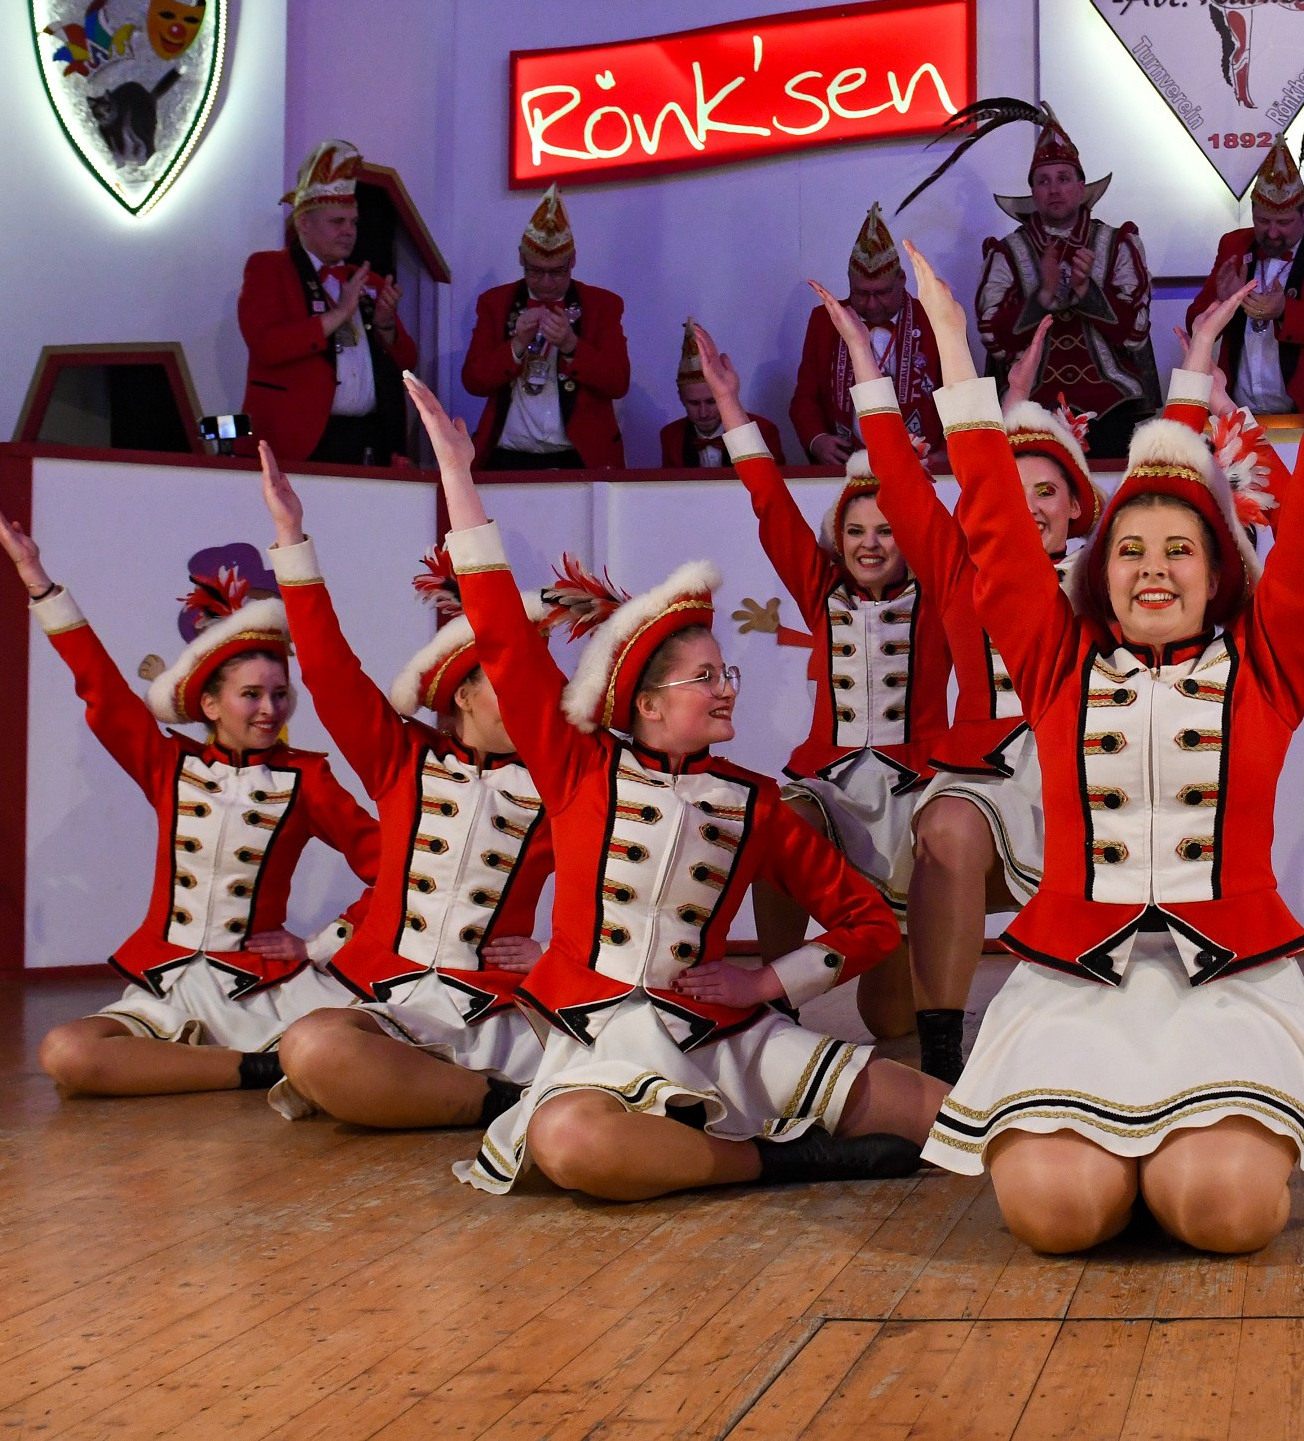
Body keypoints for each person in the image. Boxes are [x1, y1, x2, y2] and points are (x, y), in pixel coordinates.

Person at [912, 225, 1304, 1255]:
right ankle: (1123, 1157)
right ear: (1099, 571)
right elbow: (994, 521)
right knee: (1056, 1218)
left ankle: (1192, 1154)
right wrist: (954, 349)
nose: (1152, 568)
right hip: (1073, 981)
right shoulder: (1056, 662)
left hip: (1228, 981)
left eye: (1180, 549)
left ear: (1219, 573)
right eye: (1130, 548)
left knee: (1222, 1214)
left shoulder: (1265, 666)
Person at [400, 374, 948, 1200]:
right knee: (571, 1143)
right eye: (706, 678)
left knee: (948, 1118)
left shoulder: (757, 802)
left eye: (725, 673)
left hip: (730, 1036)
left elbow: (868, 924)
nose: (728, 689)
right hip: (601, 1039)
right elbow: (505, 640)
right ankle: (790, 1161)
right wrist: (458, 476)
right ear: (648, 704)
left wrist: (765, 982)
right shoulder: (580, 769)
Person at [0, 490, 378, 1096]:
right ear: (210, 705)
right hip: (167, 982)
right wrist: (38, 580)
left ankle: (255, 1059)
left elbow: (398, 866)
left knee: (356, 1046)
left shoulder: (306, 779)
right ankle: (260, 1070)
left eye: (280, 694)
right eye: (251, 695)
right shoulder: (170, 765)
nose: (270, 709)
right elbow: (102, 690)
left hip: (264, 986)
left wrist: (322, 943)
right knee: (67, 1053)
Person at [802, 295, 1104, 1083]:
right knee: (944, 824)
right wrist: (867, 368)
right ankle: (942, 1053)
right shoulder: (958, 570)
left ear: (1078, 504)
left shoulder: (1113, 576)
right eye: (1014, 490)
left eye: (1047, 492)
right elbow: (901, 481)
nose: (1030, 506)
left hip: (1084, 770)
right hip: (983, 772)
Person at [256, 445, 556, 1128]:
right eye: (508, 681)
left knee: (320, 1056)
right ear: (460, 696)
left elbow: (621, 885)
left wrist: (551, 955)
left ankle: (489, 1093)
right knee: (311, 1044)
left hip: (495, 1008)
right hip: (388, 997)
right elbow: (329, 671)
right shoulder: (402, 758)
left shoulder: (564, 779)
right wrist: (291, 538)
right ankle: (503, 1103)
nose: (532, 693)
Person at [692, 324, 951, 1042]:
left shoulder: (940, 599)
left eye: (886, 530)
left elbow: (941, 524)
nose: (870, 544)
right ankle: (774, 1002)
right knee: (775, 823)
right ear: (839, 537)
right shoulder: (820, 592)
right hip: (828, 786)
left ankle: (925, 1009)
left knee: (888, 1019)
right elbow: (770, 505)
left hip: (911, 795)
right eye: (857, 531)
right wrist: (731, 406)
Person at [973, 113, 1155, 456]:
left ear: (1081, 188)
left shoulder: (1117, 243)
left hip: (1111, 402)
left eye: (1064, 178)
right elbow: (994, 340)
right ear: (1033, 192)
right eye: (1043, 181)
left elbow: (1136, 333)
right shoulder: (1008, 251)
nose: (1054, 189)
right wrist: (1043, 294)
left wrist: (1086, 291)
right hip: (1032, 405)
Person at [238, 140, 418, 466]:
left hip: (367, 439)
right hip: (298, 441)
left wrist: (386, 325)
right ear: (304, 223)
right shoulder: (269, 268)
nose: (349, 231)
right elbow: (266, 346)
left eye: (353, 222)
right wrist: (339, 314)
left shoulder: (368, 280)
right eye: (337, 222)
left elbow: (407, 362)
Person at [1183, 141, 1304, 415]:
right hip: (1239, 414)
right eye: (1262, 221)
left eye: (1283, 223)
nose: (1271, 232)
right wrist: (1222, 304)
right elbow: (1194, 325)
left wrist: (1285, 312)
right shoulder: (1234, 245)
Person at [461, 185, 630, 471]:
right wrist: (516, 346)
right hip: (508, 456)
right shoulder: (495, 303)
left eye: (558, 271)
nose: (547, 282)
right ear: (521, 258)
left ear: (573, 260)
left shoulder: (602, 305)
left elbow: (618, 382)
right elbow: (473, 381)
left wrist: (571, 345)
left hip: (579, 458)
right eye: (536, 271)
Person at [791, 204, 944, 466]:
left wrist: (946, 455)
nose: (872, 304)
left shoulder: (933, 316)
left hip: (922, 465)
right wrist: (817, 440)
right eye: (861, 293)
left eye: (882, 293)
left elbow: (957, 393)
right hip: (847, 465)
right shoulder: (825, 320)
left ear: (902, 279)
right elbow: (805, 398)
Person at [660, 325, 781, 468]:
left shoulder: (763, 430)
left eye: (712, 401)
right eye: (694, 403)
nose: (704, 413)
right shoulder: (670, 436)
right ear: (681, 398)